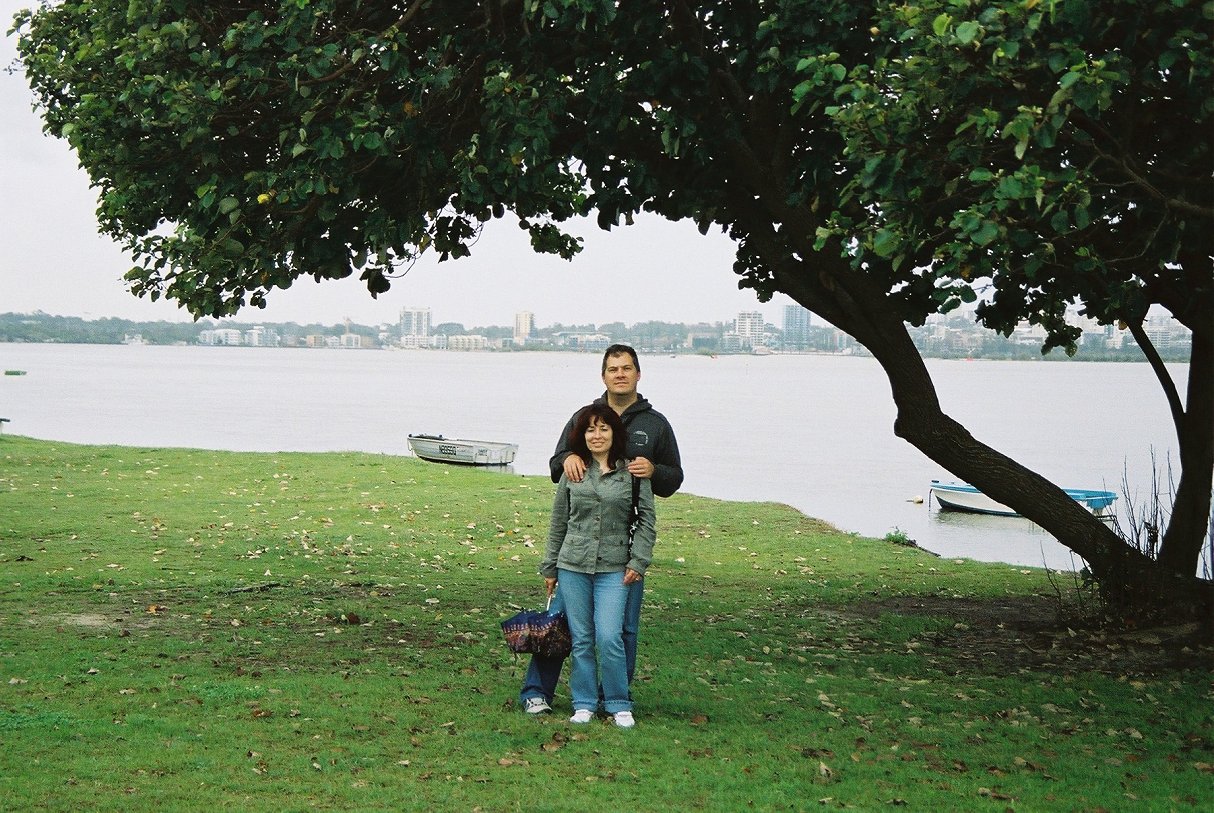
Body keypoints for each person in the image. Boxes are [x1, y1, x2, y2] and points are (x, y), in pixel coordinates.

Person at [520, 344, 683, 714]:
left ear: (638, 374)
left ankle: (613, 699)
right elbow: (556, 464)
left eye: (627, 368)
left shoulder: (655, 424)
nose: (620, 374)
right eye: (613, 369)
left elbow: (673, 479)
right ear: (603, 375)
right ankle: (537, 692)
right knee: (560, 623)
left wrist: (653, 470)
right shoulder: (584, 416)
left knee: (620, 631)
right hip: (576, 551)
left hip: (620, 550)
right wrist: (570, 457)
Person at [539, 403, 657, 728]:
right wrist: (550, 568)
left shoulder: (632, 473)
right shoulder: (572, 471)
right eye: (590, 429)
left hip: (615, 568)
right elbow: (558, 522)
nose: (597, 435)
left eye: (604, 428)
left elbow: (647, 521)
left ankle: (619, 702)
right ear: (582, 435)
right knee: (581, 638)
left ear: (615, 433)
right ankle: (584, 702)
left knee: (609, 636)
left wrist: (639, 560)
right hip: (572, 565)